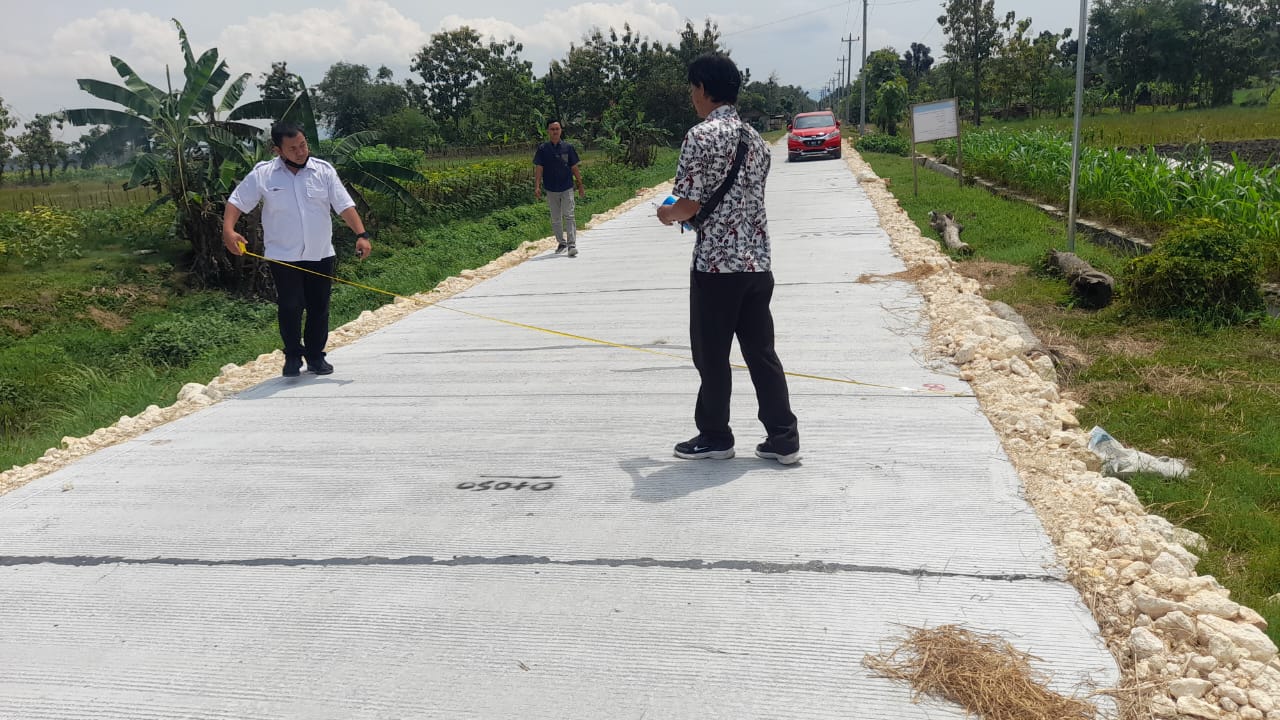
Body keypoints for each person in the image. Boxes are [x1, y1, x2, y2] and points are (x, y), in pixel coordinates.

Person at [656, 53, 800, 465]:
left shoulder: (699, 136)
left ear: (703, 88)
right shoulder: (756, 140)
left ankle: (715, 436)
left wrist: (667, 213)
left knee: (712, 356)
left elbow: (688, 205)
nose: (692, 96)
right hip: (757, 264)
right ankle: (783, 438)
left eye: (692, 88)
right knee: (762, 353)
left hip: (716, 267)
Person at [222, 121, 372, 377]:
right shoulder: (263, 174)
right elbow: (236, 202)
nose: (301, 152)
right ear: (277, 150)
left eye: (303, 145)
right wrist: (228, 230)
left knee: (319, 307)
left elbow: (344, 205)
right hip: (283, 255)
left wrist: (361, 234)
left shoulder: (323, 171)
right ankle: (292, 355)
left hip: (320, 252)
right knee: (290, 305)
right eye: (293, 148)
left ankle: (315, 356)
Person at [533, 120, 585, 257]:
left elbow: (574, 167)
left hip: (567, 186)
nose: (555, 131)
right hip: (551, 188)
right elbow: (539, 168)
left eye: (557, 129)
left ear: (561, 130)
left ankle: (572, 244)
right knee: (556, 218)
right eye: (552, 129)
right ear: (548, 131)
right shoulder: (543, 149)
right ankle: (561, 243)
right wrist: (537, 186)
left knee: (569, 215)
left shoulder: (568, 147)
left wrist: (580, 184)